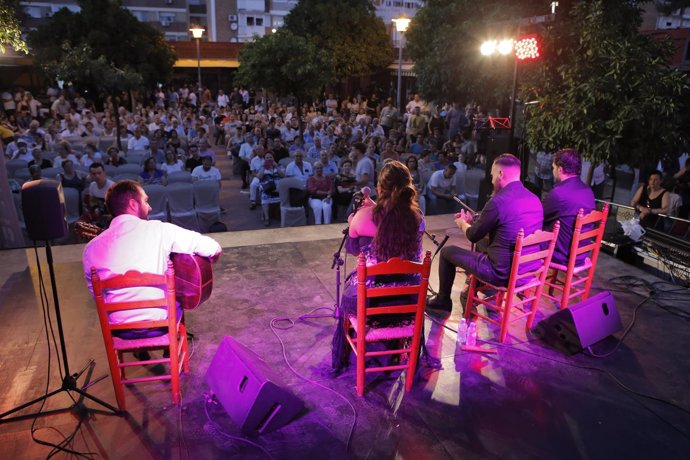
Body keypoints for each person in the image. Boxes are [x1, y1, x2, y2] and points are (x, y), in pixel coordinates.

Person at [82, 180, 221, 337]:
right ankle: (172, 348)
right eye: (146, 201)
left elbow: (97, 295)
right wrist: (209, 260)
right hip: (159, 323)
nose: (150, 207)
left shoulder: (90, 248)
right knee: (177, 298)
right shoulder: (159, 230)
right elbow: (213, 248)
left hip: (118, 329)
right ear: (133, 204)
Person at [332, 160, 425, 372]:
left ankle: (348, 353)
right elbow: (392, 220)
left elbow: (354, 249)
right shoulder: (417, 218)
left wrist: (354, 218)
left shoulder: (362, 217)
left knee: (350, 293)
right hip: (408, 300)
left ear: (380, 188)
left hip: (371, 302)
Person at [427, 154, 544, 312]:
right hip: (528, 269)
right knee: (483, 244)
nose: (491, 180)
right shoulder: (534, 199)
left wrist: (463, 223)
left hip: (502, 274)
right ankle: (473, 285)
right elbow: (505, 229)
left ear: (500, 174)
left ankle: (443, 300)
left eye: (492, 175)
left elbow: (473, 235)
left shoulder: (497, 201)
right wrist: (474, 223)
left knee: (447, 252)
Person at [542, 148, 595, 266]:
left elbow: (539, 216)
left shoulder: (559, 193)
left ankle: (518, 279)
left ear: (560, 169)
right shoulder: (588, 191)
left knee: (522, 238)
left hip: (563, 254)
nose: (553, 171)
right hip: (581, 254)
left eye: (553, 168)